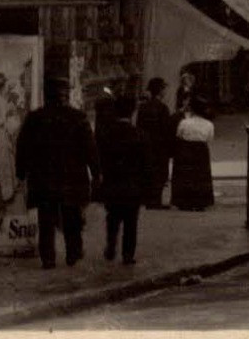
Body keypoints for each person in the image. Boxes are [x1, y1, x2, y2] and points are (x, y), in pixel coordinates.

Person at [14, 75, 99, 269]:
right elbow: (90, 149)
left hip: (44, 178)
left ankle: (48, 258)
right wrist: (96, 172)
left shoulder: (35, 118)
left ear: (46, 95)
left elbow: (23, 147)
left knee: (46, 219)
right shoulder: (78, 118)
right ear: (66, 95)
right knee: (72, 217)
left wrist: (21, 172)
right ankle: (73, 253)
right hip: (72, 178)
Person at [94, 91, 149, 265]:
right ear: (132, 111)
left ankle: (111, 244)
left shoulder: (107, 134)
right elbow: (146, 164)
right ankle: (128, 254)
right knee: (131, 221)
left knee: (113, 217)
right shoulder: (139, 135)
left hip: (112, 183)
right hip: (133, 185)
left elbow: (100, 159)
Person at [136, 77, 175, 209]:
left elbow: (139, 127)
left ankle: (148, 198)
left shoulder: (143, 108)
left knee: (147, 171)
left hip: (146, 144)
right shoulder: (163, 108)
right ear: (160, 90)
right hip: (160, 146)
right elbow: (167, 129)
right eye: (163, 88)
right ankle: (155, 200)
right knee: (160, 174)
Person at [170, 100, 216, 211]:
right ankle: (201, 202)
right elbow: (210, 138)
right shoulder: (209, 124)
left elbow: (179, 134)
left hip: (186, 149)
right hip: (201, 150)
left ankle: (184, 201)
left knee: (185, 175)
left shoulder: (184, 122)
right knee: (201, 176)